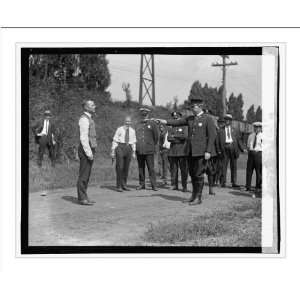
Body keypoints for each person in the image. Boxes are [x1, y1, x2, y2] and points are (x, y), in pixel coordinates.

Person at [158, 98, 217, 205]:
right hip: (190, 151)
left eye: (193, 107)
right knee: (193, 174)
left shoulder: (208, 119)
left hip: (201, 152)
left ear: (200, 107)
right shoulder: (190, 118)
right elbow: (178, 122)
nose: (192, 109)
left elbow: (212, 136)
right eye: (191, 107)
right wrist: (164, 121)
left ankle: (198, 198)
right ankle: (193, 196)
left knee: (199, 174)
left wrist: (208, 151)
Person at [77, 100, 97, 205]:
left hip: (89, 149)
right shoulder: (84, 119)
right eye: (92, 105)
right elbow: (83, 138)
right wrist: (89, 153)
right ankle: (82, 198)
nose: (95, 106)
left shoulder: (89, 118)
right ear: (86, 107)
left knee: (87, 174)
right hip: (86, 150)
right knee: (84, 174)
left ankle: (84, 196)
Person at [135, 106, 159, 191]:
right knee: (141, 167)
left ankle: (154, 185)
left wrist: (151, 145)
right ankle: (142, 184)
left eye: (145, 114)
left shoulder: (152, 124)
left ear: (148, 114)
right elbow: (135, 136)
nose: (144, 116)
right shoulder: (137, 124)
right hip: (139, 149)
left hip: (149, 149)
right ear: (140, 115)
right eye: (142, 114)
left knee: (151, 168)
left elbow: (156, 137)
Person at [218, 114, 244, 188]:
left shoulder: (235, 129)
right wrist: (219, 150)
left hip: (233, 148)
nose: (227, 121)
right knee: (223, 166)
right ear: (224, 121)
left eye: (228, 120)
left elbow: (239, 140)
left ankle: (234, 182)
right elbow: (217, 141)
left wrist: (242, 149)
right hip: (224, 148)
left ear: (230, 121)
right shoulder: (221, 130)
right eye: (226, 120)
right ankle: (222, 182)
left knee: (234, 166)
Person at [111, 116, 136, 192]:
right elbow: (115, 140)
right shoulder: (119, 129)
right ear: (124, 121)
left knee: (126, 167)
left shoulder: (132, 130)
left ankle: (124, 185)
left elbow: (134, 142)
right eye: (126, 121)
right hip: (120, 147)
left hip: (129, 148)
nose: (128, 123)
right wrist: (113, 150)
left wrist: (134, 152)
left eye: (129, 121)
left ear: (131, 122)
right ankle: (118, 186)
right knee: (120, 167)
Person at [167, 111, 189, 192]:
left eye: (176, 117)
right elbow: (168, 138)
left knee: (184, 170)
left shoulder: (184, 125)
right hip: (173, 152)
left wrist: (174, 136)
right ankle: (175, 185)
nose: (175, 118)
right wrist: (177, 138)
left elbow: (185, 136)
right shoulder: (171, 127)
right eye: (174, 117)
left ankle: (184, 186)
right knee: (174, 170)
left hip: (182, 151)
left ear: (180, 117)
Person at [245, 121, 262, 192]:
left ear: (260, 128)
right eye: (255, 127)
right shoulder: (251, 136)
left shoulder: (263, 136)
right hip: (251, 154)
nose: (256, 129)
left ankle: (258, 187)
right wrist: (250, 152)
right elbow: (248, 146)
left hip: (259, 154)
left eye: (258, 127)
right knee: (249, 171)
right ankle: (248, 186)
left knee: (259, 172)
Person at [213, 117, 225, 186]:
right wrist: (218, 150)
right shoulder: (216, 130)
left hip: (223, 152)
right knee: (216, 167)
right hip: (217, 151)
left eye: (222, 123)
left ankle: (220, 181)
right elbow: (216, 142)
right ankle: (215, 180)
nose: (221, 124)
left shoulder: (224, 131)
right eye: (220, 123)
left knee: (221, 167)